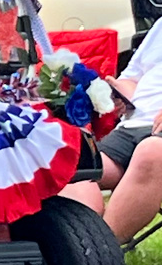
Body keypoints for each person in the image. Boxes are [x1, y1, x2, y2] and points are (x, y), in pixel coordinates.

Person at [64, 25, 162, 245]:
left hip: (156, 142)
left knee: (152, 152)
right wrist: (119, 93)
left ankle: (99, 254)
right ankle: (72, 246)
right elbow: (131, 77)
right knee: (74, 161)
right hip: (132, 127)